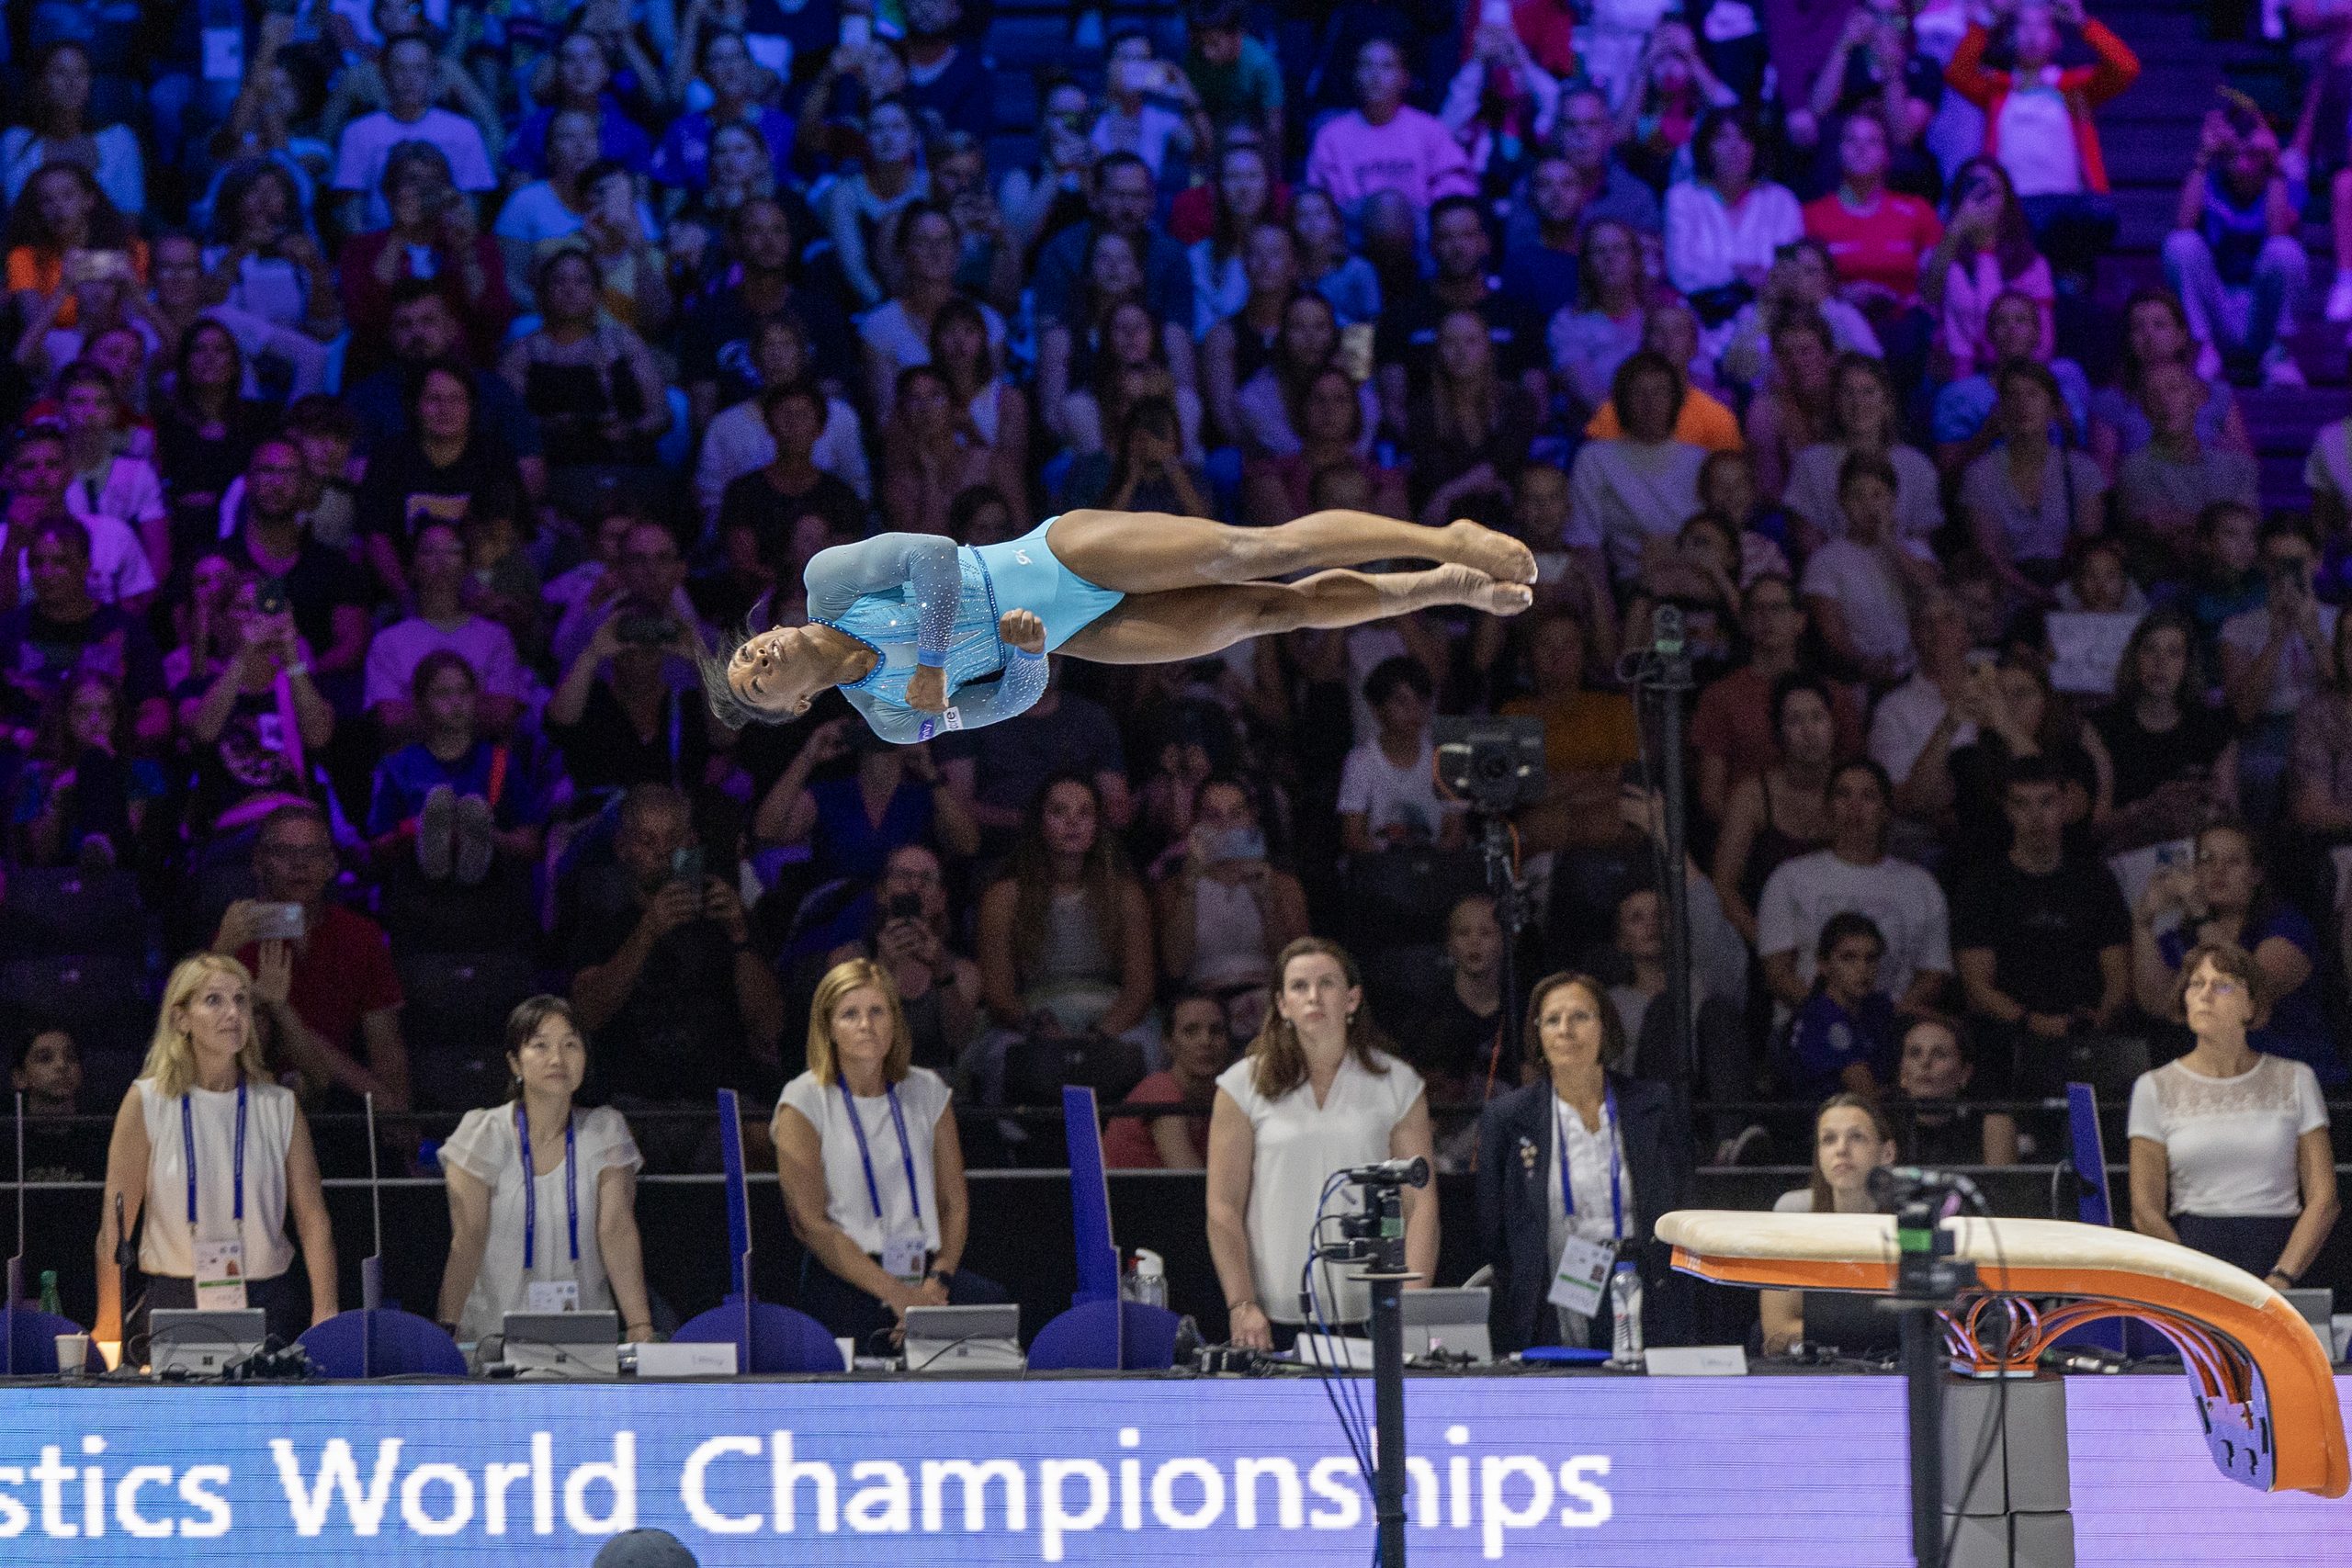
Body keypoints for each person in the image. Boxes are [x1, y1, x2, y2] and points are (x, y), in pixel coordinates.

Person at [706, 513, 1535, 743]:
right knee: (1263, 611)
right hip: (1072, 633)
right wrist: (1030, 657)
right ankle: (1439, 587)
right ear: (793, 708)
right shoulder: (887, 717)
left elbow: (932, 555)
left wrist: (928, 654)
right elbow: (1003, 704)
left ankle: (1443, 537)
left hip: (1052, 557)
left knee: (1252, 551)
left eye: (749, 652)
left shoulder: (828, 584)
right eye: (760, 682)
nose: (763, 658)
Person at [94, 953, 336, 1355]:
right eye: (214, 1001)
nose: (233, 1013)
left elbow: (314, 1221)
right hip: (175, 1299)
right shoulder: (147, 1101)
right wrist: (108, 1329)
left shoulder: (279, 1104)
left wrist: (325, 1315)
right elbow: (114, 1230)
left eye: (241, 1000)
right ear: (181, 1019)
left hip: (267, 1299)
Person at [1206, 938, 1435, 1348]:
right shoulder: (1241, 1086)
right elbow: (1223, 1207)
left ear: (1352, 999)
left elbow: (1420, 1205)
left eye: (1327, 983)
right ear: (1281, 1005)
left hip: (1375, 1313)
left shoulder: (1397, 1084)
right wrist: (1241, 1303)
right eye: (1298, 986)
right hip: (1275, 1316)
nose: (1313, 996)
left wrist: (1411, 1308)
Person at [773, 958, 1000, 1344]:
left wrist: (937, 1283)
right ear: (828, 1026)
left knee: (989, 1306)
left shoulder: (926, 1090)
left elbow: (954, 1205)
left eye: (877, 1011)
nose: (866, 1024)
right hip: (847, 1276)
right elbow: (808, 1223)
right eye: (850, 1014)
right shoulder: (804, 1099)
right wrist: (897, 1295)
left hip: (928, 1275)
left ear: (895, 1019)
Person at [1476, 971, 1690, 1356]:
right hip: (1552, 1300)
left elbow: (1681, 1202)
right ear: (1538, 1035)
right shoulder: (1507, 1118)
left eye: (1580, 1017)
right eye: (1552, 1020)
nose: (1565, 1029)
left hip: (1646, 1288)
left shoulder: (1653, 1105)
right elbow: (1494, 1229)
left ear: (1605, 1028)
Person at [566, 784, 785, 1144]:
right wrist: (648, 931)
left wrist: (740, 935)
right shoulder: (602, 919)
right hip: (633, 1104)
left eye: (673, 840)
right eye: (648, 842)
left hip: (722, 1102)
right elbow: (586, 1014)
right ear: (623, 848)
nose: (663, 853)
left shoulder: (727, 915)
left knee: (766, 1141)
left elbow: (770, 1024)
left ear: (692, 842)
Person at [435, 997, 651, 1347]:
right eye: (540, 1045)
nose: (557, 1059)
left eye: (570, 1044)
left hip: (585, 1339)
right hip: (494, 1339)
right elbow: (467, 1239)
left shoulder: (605, 1130)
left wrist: (640, 1326)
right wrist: (446, 1333)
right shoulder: (483, 1133)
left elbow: (617, 1229)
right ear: (514, 1062)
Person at [2128, 943, 2337, 1285]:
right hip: (2192, 1256)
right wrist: (2194, 1277)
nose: (2205, 995)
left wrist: (2281, 1277)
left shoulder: (2296, 1078)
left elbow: (2324, 1198)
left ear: (2251, 1005)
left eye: (2223, 984)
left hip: (2282, 1252)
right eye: (2196, 984)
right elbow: (2145, 1210)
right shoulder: (2154, 1087)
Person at [1950, 755, 2132, 1096]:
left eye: (2046, 802)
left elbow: (2118, 979)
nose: (2036, 817)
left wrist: (2096, 1023)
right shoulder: (1982, 886)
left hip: (2087, 1043)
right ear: (2006, 809)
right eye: (2022, 804)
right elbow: (1977, 988)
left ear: (2064, 805)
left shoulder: (2096, 880)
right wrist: (2034, 1023)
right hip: (2006, 1047)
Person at [2132, 819, 2339, 1083]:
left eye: (2233, 861)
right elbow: (2158, 1004)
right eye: (2207, 859)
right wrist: (2143, 922)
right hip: (2215, 1085)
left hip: (2293, 1082)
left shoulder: (2287, 927)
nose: (2218, 870)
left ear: (2256, 875)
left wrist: (2200, 913)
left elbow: (2248, 990)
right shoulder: (2182, 936)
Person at [1758, 759, 1951, 1016]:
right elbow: (1778, 973)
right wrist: (1830, 1017)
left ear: (1885, 811)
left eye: (1868, 796)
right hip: (1808, 1034)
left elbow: (1933, 973)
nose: (1854, 807)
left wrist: (1884, 1020)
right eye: (1843, 794)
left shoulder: (1923, 887)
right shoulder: (1789, 878)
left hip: (1895, 1035)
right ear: (1828, 807)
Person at [2164, 104, 2306, 388]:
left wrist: (2274, 164)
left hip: (2260, 314)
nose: (2242, 161)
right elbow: (2183, 224)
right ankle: (2202, 349)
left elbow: (2279, 233)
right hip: (2219, 312)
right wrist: (2204, 156)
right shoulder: (2209, 180)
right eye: (2235, 151)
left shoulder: (2284, 181)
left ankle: (2277, 355)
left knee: (2285, 251)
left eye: (2251, 152)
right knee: (2180, 244)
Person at [1758, 1093, 1897, 1355]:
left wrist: (1821, 1333)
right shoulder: (1793, 1213)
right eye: (1829, 1139)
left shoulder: (1912, 1220)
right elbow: (1776, 1332)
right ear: (1819, 1155)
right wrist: (1879, 1333)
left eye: (1857, 1137)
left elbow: (1932, 1326)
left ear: (1887, 1152)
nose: (1841, 1149)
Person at [1959, 361, 2106, 604]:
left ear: (2053, 407)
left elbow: (2091, 550)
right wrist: (2041, 597)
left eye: (2033, 394)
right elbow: (1990, 558)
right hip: (2006, 595)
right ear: (2000, 408)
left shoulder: (2082, 470)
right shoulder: (1980, 475)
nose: (2022, 404)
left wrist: (2063, 597)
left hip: (2074, 592)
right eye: (2012, 396)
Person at [1713, 673, 1840, 948]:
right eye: (1795, 721)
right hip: (1771, 942)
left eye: (1818, 717)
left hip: (1850, 948)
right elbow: (1724, 887)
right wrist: (1771, 947)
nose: (1809, 732)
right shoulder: (1752, 796)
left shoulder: (1855, 786)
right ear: (1778, 732)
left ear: (1833, 724)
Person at [1564, 352, 1709, 585]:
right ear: (1622, 401)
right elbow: (1585, 541)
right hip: (1631, 583)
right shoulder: (1593, 459)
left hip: (1696, 580)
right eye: (1638, 393)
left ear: (1676, 399)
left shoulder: (1700, 460)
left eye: (1660, 392)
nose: (1650, 403)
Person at [330, 34, 497, 233]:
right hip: (379, 242)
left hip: (446, 242)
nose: (410, 78)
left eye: (419, 68)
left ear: (433, 75)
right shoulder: (357, 132)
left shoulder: (463, 131)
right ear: (384, 74)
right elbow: (351, 209)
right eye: (400, 68)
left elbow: (470, 206)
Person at [1303, 38, 1476, 221]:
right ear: (1354, 75)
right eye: (1366, 66)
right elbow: (1319, 199)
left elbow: (1457, 187)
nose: (1375, 75)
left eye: (1387, 66)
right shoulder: (1331, 136)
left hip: (1421, 236)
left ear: (1405, 78)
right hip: (1354, 236)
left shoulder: (1430, 130)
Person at [1665, 109, 1804, 320]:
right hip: (1700, 320)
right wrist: (1741, 273)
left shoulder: (1781, 200)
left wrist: (1729, 273)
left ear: (1755, 147)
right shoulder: (1682, 198)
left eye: (1744, 138)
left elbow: (1790, 271)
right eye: (1722, 137)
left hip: (1771, 319)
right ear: (1705, 147)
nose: (1734, 147)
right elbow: (1683, 273)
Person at [1102, 992, 1236, 1169]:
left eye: (1216, 1031)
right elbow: (1189, 1179)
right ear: (1168, 1043)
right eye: (1191, 1031)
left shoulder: (1222, 1098)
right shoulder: (1160, 1091)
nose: (1206, 1041)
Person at [1784, 912, 1900, 1100]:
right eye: (1849, 958)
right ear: (1823, 964)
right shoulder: (1820, 1018)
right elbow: (1868, 1097)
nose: (1862, 969)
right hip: (1827, 1122)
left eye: (1870, 959)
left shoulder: (1876, 1006)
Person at [1894, 1016, 2020, 1167]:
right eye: (1915, 1053)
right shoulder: (1880, 1125)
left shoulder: (1993, 1125)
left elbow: (2001, 1189)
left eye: (1940, 1054)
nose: (1925, 1062)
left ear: (1964, 1073)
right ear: (1902, 1073)